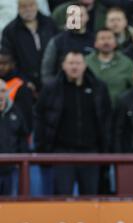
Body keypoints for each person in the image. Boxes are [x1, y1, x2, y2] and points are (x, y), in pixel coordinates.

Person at [34, 51, 112, 195]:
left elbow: (106, 119)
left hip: (91, 152)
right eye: (70, 63)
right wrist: (42, 148)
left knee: (91, 198)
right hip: (62, 152)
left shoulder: (99, 88)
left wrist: (105, 148)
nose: (74, 67)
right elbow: (40, 118)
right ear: (63, 66)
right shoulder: (51, 88)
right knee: (62, 198)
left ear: (85, 65)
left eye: (78, 63)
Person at [1, 0, 58, 91]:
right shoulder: (10, 31)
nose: (28, 9)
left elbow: (59, 51)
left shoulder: (50, 24)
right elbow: (9, 61)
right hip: (24, 85)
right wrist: (24, 81)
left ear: (36, 6)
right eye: (24, 6)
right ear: (18, 8)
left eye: (31, 5)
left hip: (52, 81)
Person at [41, 4, 95, 85]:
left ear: (87, 17)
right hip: (62, 90)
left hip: (90, 89)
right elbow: (46, 72)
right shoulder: (57, 41)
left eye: (80, 15)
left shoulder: (95, 41)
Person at [85, 28, 133, 108]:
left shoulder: (127, 63)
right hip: (91, 111)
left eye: (109, 38)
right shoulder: (86, 62)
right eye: (102, 38)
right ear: (95, 43)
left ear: (115, 43)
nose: (106, 42)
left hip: (118, 111)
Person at [0, 79, 29, 196]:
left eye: (3, 91)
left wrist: (21, 159)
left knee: (10, 206)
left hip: (10, 170)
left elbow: (23, 138)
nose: (0, 95)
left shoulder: (16, 112)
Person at [0, 49, 35, 132]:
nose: (1, 67)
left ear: (12, 64)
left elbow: (26, 115)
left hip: (13, 132)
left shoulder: (20, 85)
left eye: (4, 63)